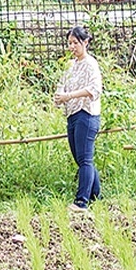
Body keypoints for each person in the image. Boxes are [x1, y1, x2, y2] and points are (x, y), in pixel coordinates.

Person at [53, 25, 102, 213]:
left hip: (86, 114)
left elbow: (94, 90)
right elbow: (62, 86)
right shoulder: (71, 66)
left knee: (85, 159)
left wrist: (70, 96)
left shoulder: (91, 64)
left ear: (85, 42)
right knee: (81, 158)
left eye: (75, 43)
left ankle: (81, 201)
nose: (72, 47)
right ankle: (96, 194)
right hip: (72, 114)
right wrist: (60, 97)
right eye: (70, 43)